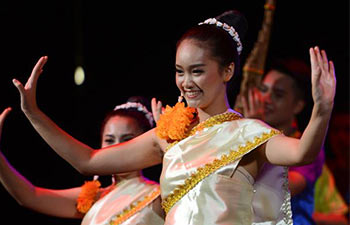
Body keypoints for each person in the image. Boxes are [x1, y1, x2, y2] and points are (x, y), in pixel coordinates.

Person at [12, 10, 336, 224]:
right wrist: (33, 113)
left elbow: (302, 152)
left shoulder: (249, 133)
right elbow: (89, 160)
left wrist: (322, 109)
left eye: (197, 71)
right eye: (180, 71)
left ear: (227, 71)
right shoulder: (170, 136)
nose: (186, 82)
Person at [0, 98, 164, 225]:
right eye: (109, 140)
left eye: (127, 139)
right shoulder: (94, 198)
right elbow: (30, 196)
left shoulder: (158, 195)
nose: (117, 147)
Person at [240, 57, 326, 224]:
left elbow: (280, 190)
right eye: (263, 90)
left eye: (278, 94)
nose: (266, 99)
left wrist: (254, 136)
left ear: (298, 106)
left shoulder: (305, 145)